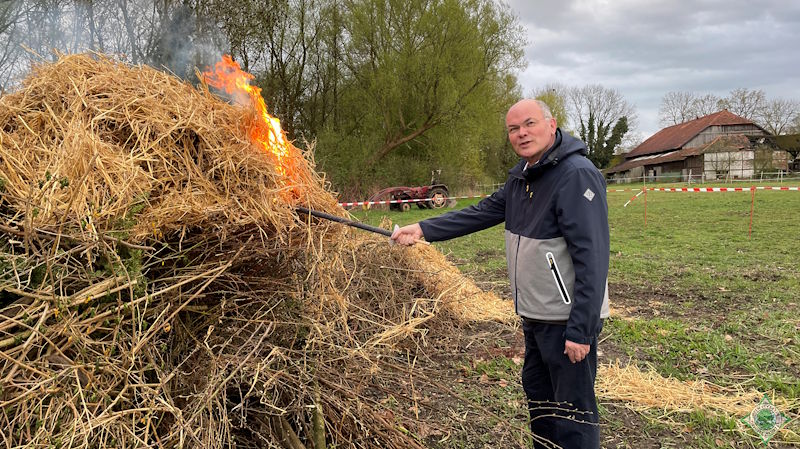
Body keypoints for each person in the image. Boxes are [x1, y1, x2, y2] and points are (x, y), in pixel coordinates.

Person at [391, 99, 610, 448]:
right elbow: (478, 213)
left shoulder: (575, 174)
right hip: (535, 316)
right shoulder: (522, 177)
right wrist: (422, 228)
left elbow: (593, 257)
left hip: (565, 320)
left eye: (529, 124)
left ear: (551, 125)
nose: (521, 133)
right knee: (540, 403)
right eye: (513, 129)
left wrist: (581, 330)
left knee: (572, 413)